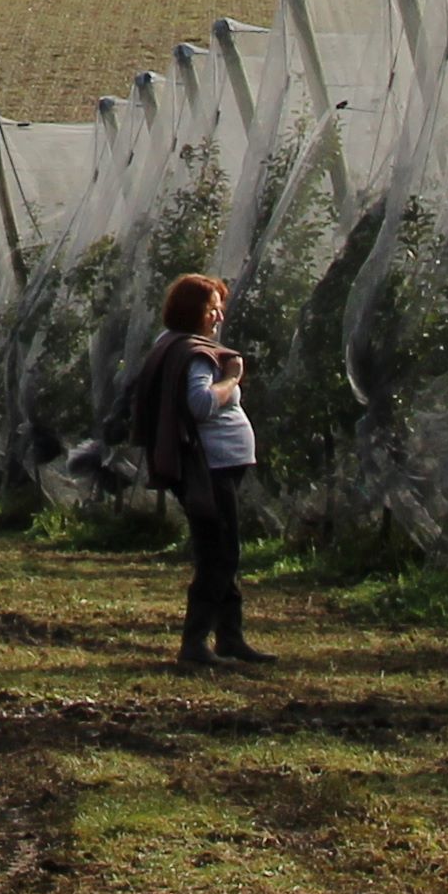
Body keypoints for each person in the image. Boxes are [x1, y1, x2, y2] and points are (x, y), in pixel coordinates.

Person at [123, 271, 267, 670]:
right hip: (211, 466)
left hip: (216, 465)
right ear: (195, 313)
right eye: (212, 309)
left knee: (223, 550)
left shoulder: (169, 344)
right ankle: (197, 642)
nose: (219, 317)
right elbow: (200, 404)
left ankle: (230, 636)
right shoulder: (195, 355)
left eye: (220, 308)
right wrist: (233, 378)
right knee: (218, 553)